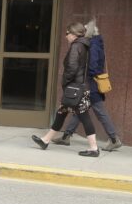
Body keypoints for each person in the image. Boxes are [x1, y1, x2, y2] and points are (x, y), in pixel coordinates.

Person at [31, 22, 100, 157]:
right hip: (80, 86)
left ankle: (93, 148)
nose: (65, 36)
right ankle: (46, 140)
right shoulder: (85, 45)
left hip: (75, 88)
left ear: (74, 34)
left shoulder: (76, 46)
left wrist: (65, 82)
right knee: (61, 112)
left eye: (67, 33)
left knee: (84, 117)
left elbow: (72, 68)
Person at [54, 20, 123, 151]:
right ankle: (66, 136)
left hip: (91, 85)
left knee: (98, 112)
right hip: (91, 84)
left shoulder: (93, 45)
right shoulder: (96, 43)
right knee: (79, 110)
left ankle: (114, 139)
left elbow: (92, 67)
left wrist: (85, 77)